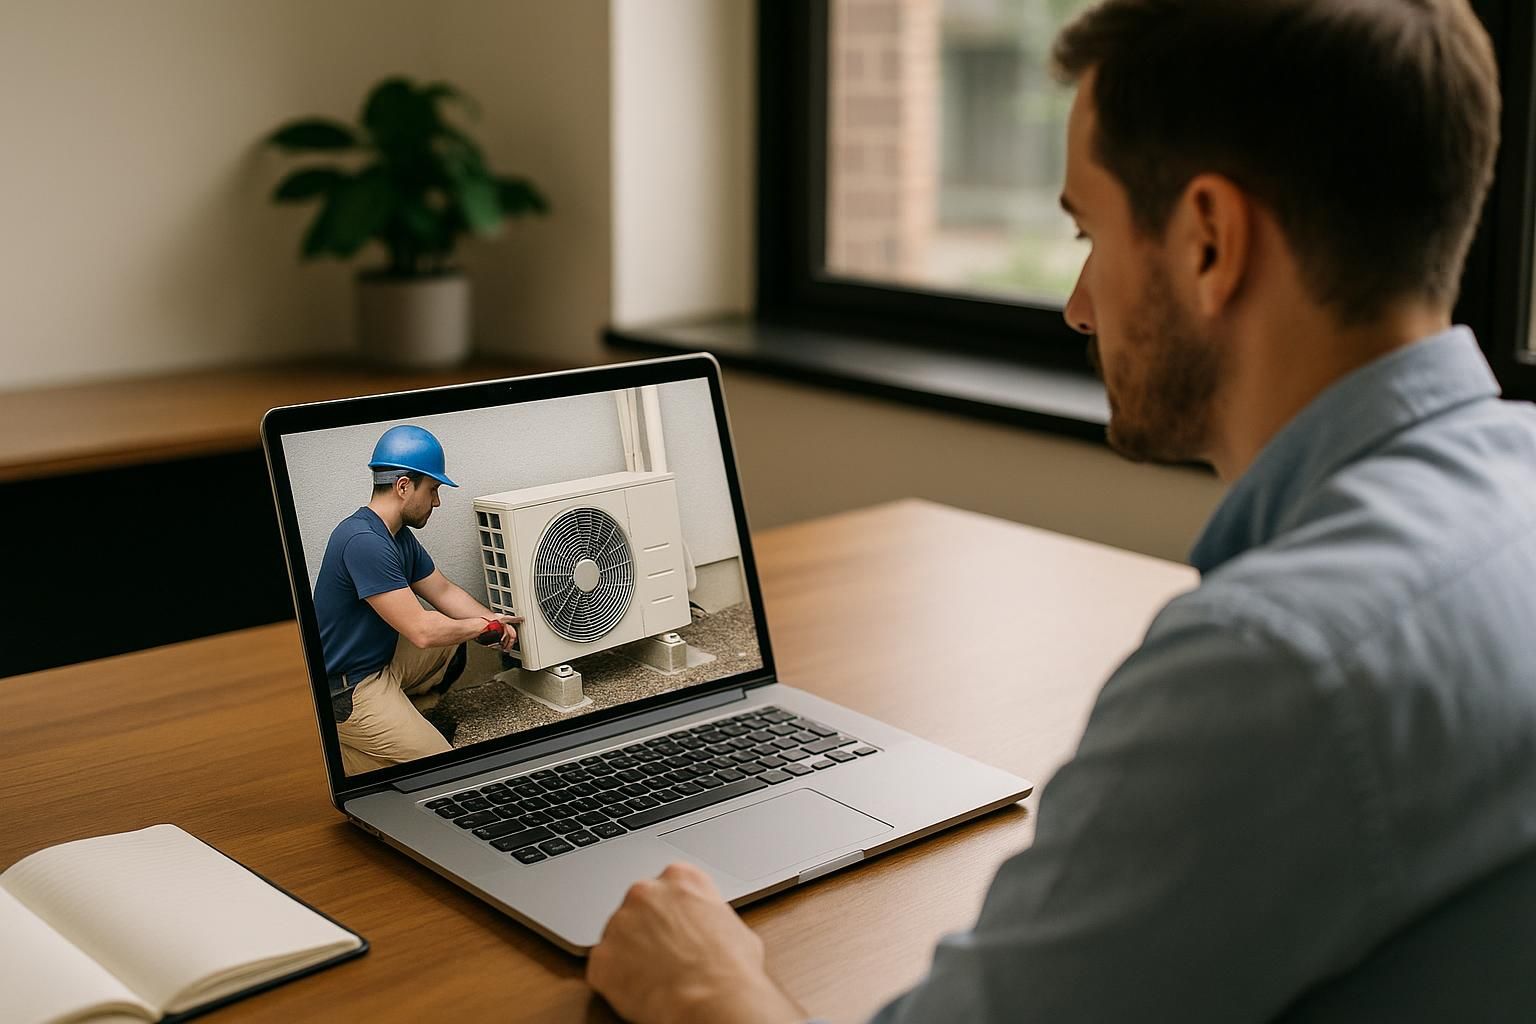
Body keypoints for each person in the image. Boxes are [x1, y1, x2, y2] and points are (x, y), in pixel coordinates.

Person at [585, 1, 1536, 1021]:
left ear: (1210, 241)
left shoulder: (1272, 667)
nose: (1078, 303)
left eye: (1089, 232)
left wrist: (703, 983)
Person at [315, 424, 521, 775]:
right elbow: (422, 631)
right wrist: (475, 627)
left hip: (381, 663)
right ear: (404, 486)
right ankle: (363, 738)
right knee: (446, 771)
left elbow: (443, 592)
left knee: (453, 644)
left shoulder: (397, 536)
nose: (437, 501)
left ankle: (399, 720)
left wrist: (495, 620)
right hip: (348, 691)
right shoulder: (363, 540)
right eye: (434, 489)